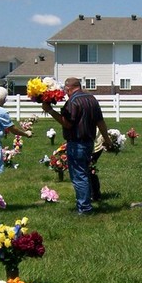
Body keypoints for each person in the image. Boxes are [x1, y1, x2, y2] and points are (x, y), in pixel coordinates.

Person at [42, 77, 111, 214]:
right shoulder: (91, 99)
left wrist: (50, 110)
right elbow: (100, 122)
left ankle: (84, 208)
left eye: (65, 90)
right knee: (84, 172)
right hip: (89, 142)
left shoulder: (72, 102)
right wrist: (107, 139)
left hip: (76, 142)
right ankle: (87, 201)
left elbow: (67, 123)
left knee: (79, 176)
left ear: (68, 88)